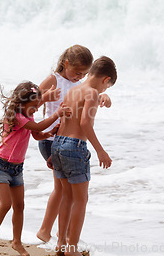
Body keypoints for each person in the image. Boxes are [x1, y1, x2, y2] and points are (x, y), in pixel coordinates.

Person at [36, 45, 111, 243]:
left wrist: (101, 95)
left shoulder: (77, 87)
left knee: (65, 191)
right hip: (53, 139)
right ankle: (51, 232)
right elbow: (32, 102)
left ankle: (64, 236)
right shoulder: (55, 80)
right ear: (66, 64)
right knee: (64, 191)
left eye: (84, 74)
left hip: (60, 139)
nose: (79, 77)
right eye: (77, 72)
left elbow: (85, 99)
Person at [0, 81, 72, 256]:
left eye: (36, 106)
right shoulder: (17, 117)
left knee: (20, 206)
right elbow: (38, 127)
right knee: (6, 204)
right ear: (21, 103)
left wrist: (50, 133)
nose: (35, 109)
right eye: (33, 106)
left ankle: (17, 242)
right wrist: (57, 113)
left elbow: (37, 134)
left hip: (17, 168)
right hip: (1, 166)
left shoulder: (28, 116)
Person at [50, 56, 116, 256]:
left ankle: (61, 244)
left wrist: (56, 151)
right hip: (75, 146)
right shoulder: (93, 93)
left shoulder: (73, 90)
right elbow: (85, 123)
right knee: (81, 199)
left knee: (66, 198)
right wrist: (100, 150)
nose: (105, 91)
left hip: (58, 143)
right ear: (105, 79)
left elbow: (64, 119)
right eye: (107, 87)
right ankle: (72, 248)